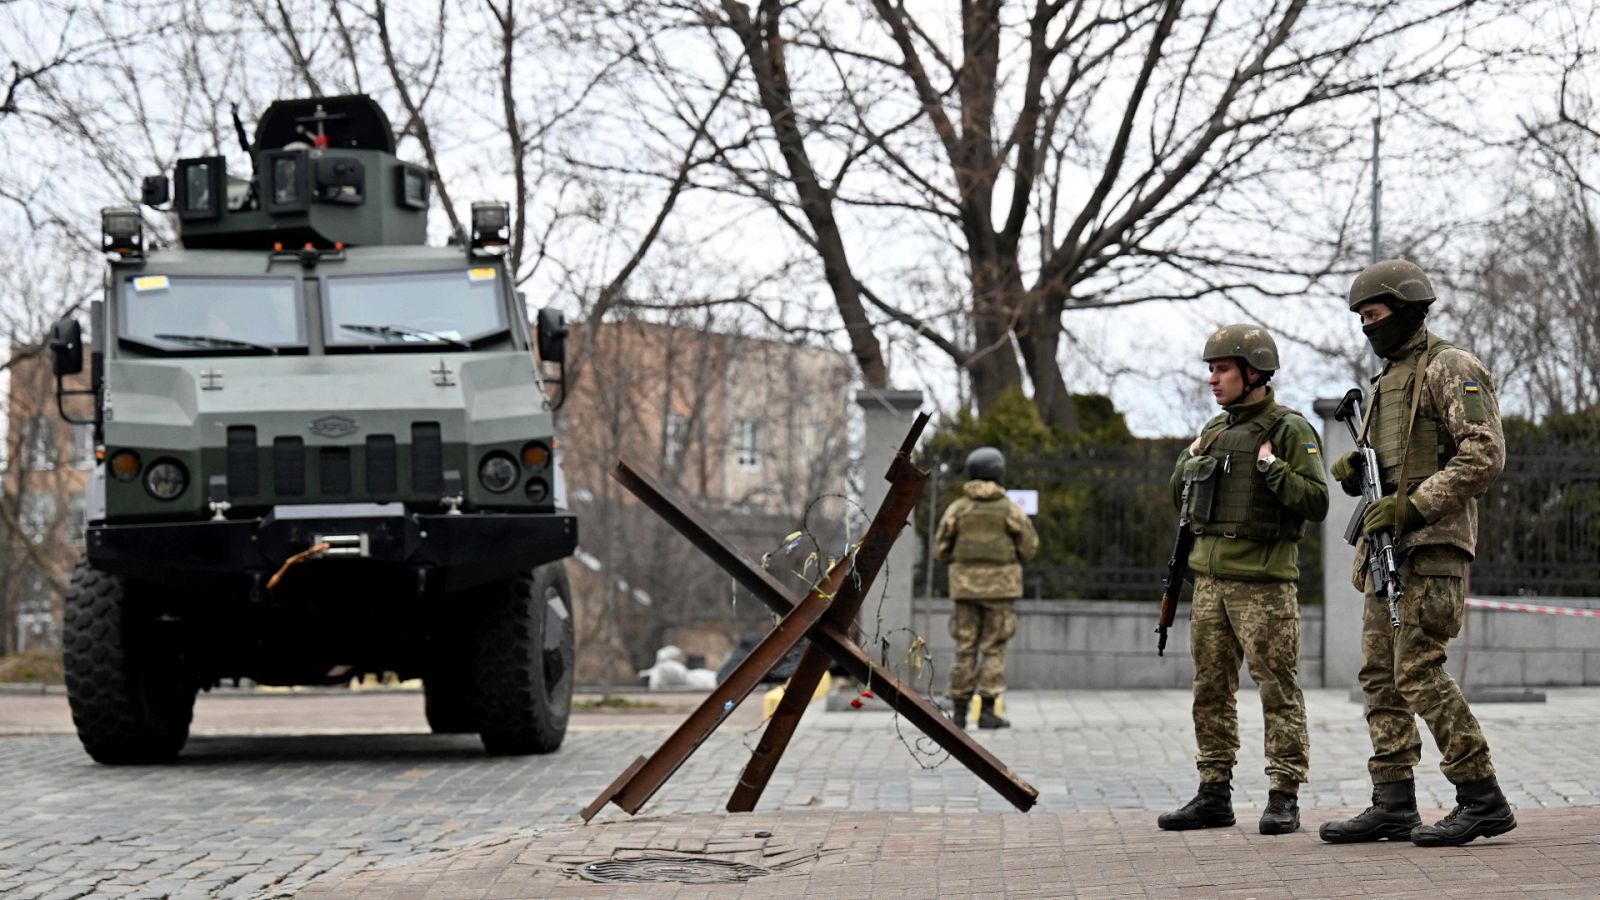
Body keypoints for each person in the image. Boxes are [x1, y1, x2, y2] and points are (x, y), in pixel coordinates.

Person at [1319, 259, 1516, 848]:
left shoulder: (1449, 366)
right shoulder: (1386, 380)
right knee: (1380, 678)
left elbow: (1484, 453)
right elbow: (1390, 466)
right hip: (1388, 552)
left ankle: (1482, 796)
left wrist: (1413, 506)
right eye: (1360, 319)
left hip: (1430, 549)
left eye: (1374, 316)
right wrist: (1359, 470)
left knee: (1417, 671)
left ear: (1405, 310)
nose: (1366, 328)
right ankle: (1393, 802)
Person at [1159, 324, 1328, 836]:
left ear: (1253, 372)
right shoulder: (1212, 431)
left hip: (1264, 586)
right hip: (1209, 583)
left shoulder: (1290, 429)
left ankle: (1284, 795)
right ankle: (1214, 792)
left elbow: (1317, 502)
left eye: (1223, 369)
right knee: (1210, 689)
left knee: (1277, 688)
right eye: (1212, 369)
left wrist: (1274, 470)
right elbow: (1179, 500)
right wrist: (1188, 459)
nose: (1213, 379)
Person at [935, 446, 1039, 729]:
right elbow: (1029, 548)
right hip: (1000, 590)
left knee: (965, 648)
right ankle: (988, 712)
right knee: (993, 648)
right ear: (999, 472)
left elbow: (941, 549)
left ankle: (958, 713)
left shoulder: (958, 508)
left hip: (966, 589)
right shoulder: (1009, 509)